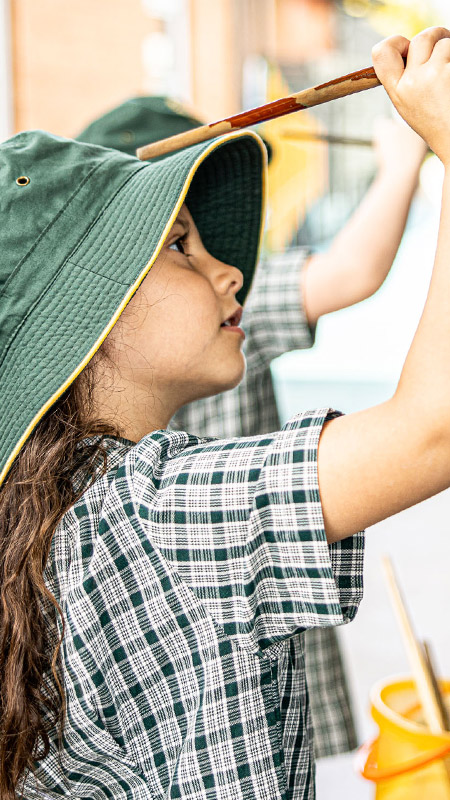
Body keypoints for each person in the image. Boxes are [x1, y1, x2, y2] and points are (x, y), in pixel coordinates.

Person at [1, 27, 450, 800]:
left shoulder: (68, 513)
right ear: (90, 315)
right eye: (181, 245)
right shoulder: (147, 511)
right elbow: (430, 430)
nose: (229, 270)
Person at [76, 92, 427, 758]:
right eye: (180, 239)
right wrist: (406, 158)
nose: (230, 270)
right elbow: (357, 279)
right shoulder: (162, 505)